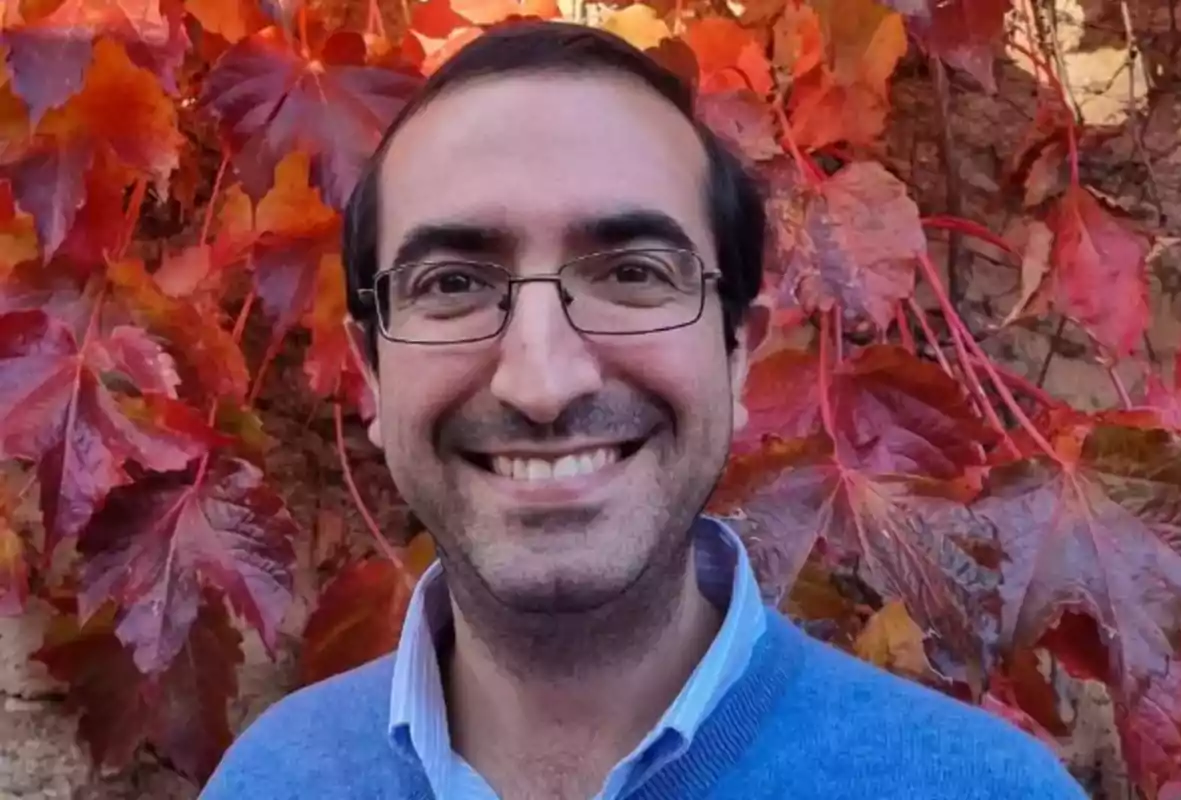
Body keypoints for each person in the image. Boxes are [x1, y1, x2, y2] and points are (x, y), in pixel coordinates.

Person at [200, 20, 1088, 800]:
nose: (541, 382)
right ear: (370, 373)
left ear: (738, 352)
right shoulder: (272, 780)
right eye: (455, 284)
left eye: (632, 275)